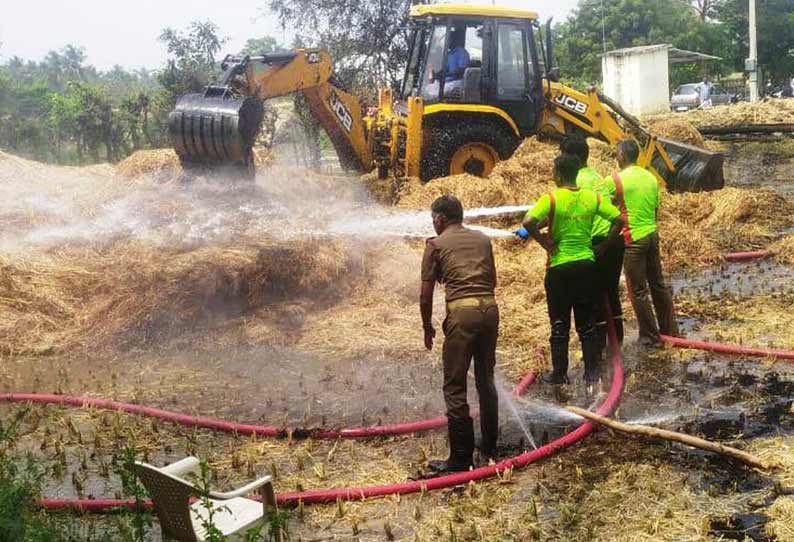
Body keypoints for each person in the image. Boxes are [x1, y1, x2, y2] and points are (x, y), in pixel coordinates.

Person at [516, 154, 624, 384]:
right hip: (587, 266)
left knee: (559, 323)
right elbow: (619, 220)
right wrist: (603, 246)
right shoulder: (592, 197)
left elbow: (527, 222)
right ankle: (592, 373)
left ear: (557, 174)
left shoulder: (551, 198)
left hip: (559, 269)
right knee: (586, 323)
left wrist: (544, 242)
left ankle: (560, 374)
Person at [420, 195, 499, 472]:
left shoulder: (435, 244)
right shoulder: (482, 239)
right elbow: (492, 281)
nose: (433, 223)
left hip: (462, 314)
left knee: (454, 387)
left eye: (433, 219)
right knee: (486, 380)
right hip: (490, 311)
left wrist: (427, 326)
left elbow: (425, 295)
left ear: (439, 219)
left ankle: (460, 458)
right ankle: (490, 445)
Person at [601, 139, 680, 346]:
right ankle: (670, 330)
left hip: (633, 239)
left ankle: (650, 336)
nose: (616, 157)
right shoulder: (651, 177)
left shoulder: (614, 180)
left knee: (637, 290)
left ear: (623, 156)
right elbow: (655, 209)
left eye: (617, 153)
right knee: (658, 284)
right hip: (652, 235)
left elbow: (603, 209)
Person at [560, 136, 626, 357]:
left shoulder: (574, 180)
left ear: (575, 157)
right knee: (610, 292)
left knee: (592, 296)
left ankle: (596, 350)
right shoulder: (598, 176)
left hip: (596, 242)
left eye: (563, 154)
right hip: (614, 240)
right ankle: (617, 341)